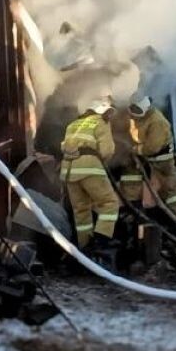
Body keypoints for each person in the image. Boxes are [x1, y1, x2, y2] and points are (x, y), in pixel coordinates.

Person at [60, 98, 120, 254]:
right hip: (90, 169)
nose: (109, 115)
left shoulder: (72, 124)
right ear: (100, 111)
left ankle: (85, 249)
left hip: (69, 171)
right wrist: (101, 162)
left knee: (81, 211)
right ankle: (100, 241)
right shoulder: (101, 122)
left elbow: (63, 146)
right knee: (110, 203)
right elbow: (107, 150)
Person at [120, 96, 176, 219]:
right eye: (132, 109)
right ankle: (132, 208)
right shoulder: (139, 118)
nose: (133, 114)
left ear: (145, 109)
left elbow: (153, 147)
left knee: (169, 189)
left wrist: (136, 149)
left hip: (161, 161)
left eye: (137, 110)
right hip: (143, 158)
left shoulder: (158, 121)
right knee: (130, 177)